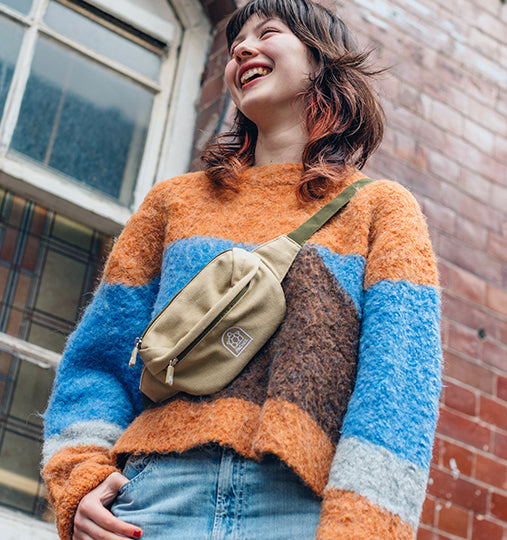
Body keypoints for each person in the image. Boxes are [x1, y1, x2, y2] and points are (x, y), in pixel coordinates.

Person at [42, 0, 442, 538]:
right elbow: (99, 359)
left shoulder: (381, 209)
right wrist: (81, 477)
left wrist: (365, 526)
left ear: (321, 63)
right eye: (235, 43)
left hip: (301, 510)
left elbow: (398, 387)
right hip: (152, 499)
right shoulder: (174, 203)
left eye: (268, 32)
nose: (241, 49)